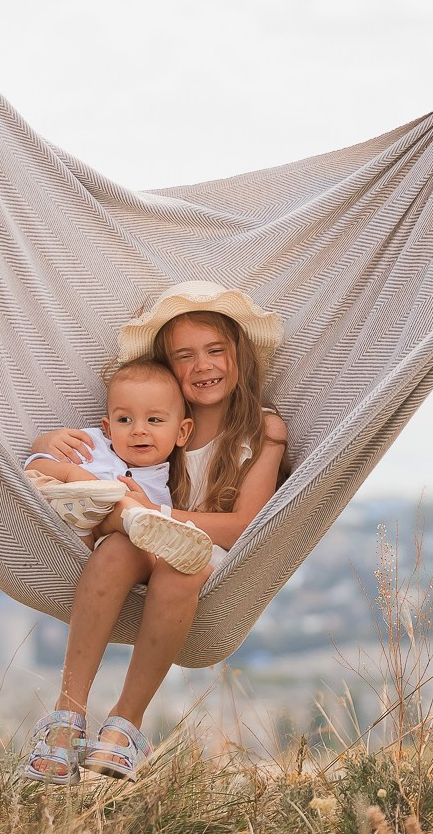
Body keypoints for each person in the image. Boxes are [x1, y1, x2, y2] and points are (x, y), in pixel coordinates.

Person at [21, 283, 288, 783]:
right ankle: (67, 718)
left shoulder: (261, 428)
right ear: (168, 367)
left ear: (239, 356)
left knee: (180, 560)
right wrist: (46, 441)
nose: (202, 365)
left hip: (209, 553)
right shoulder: (150, 422)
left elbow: (246, 524)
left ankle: (125, 725)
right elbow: (92, 453)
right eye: (184, 356)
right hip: (139, 533)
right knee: (118, 549)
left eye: (215, 351)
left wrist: (161, 518)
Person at [23, 358, 215, 574]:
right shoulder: (90, 444)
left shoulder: (157, 494)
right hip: (57, 528)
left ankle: (123, 516)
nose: (138, 430)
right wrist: (73, 473)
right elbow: (34, 466)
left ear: (181, 433)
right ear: (108, 428)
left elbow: (147, 556)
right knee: (38, 482)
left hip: (96, 548)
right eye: (124, 420)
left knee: (125, 507)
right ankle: (113, 513)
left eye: (154, 420)